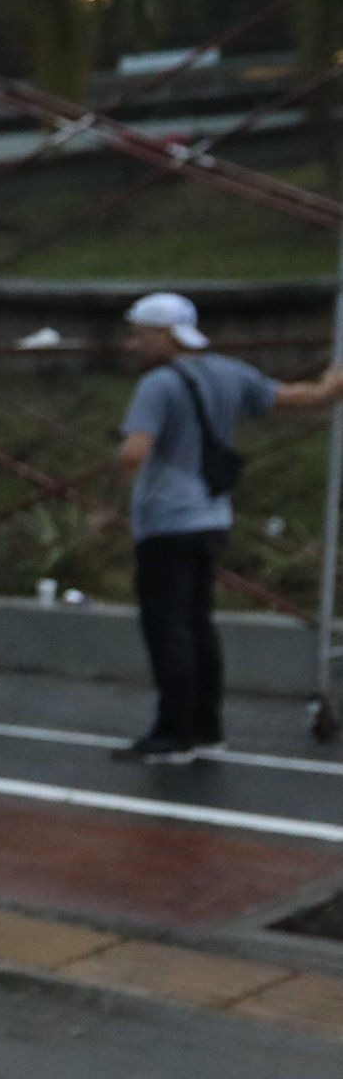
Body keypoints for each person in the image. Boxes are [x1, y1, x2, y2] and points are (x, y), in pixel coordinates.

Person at [114, 292, 343, 762]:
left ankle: (172, 734)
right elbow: (303, 397)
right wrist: (334, 381)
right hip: (213, 516)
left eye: (139, 334)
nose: (131, 344)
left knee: (167, 627)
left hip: (165, 520)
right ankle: (207, 728)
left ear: (164, 336)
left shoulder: (158, 385)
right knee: (199, 624)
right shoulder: (230, 372)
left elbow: (135, 451)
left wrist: (117, 500)